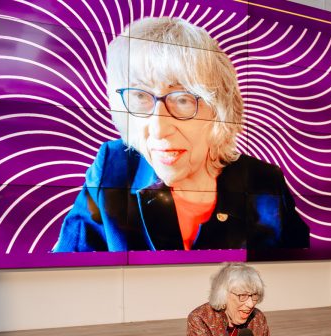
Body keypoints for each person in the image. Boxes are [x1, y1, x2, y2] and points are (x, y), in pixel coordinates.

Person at [53, 16, 309, 252]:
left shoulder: (265, 181)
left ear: (219, 109)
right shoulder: (113, 165)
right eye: (140, 97)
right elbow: (66, 274)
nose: (158, 129)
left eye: (183, 100)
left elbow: (298, 277)